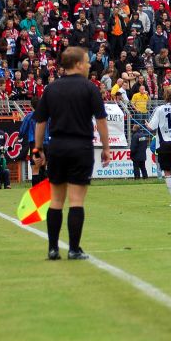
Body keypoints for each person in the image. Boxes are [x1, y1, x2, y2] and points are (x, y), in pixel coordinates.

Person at [33, 46, 110, 261]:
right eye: (86, 61)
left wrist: (38, 148)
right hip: (81, 147)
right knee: (76, 200)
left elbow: (40, 122)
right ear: (77, 64)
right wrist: (106, 148)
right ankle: (74, 249)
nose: (89, 65)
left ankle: (53, 249)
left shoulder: (51, 88)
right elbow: (101, 121)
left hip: (57, 147)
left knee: (56, 200)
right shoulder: (90, 88)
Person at [19, 97, 49, 185]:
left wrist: (19, 136)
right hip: (46, 143)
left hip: (35, 144)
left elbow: (22, 130)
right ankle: (45, 190)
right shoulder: (47, 116)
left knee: (35, 169)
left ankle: (36, 190)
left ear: (31, 106)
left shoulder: (29, 116)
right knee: (44, 167)